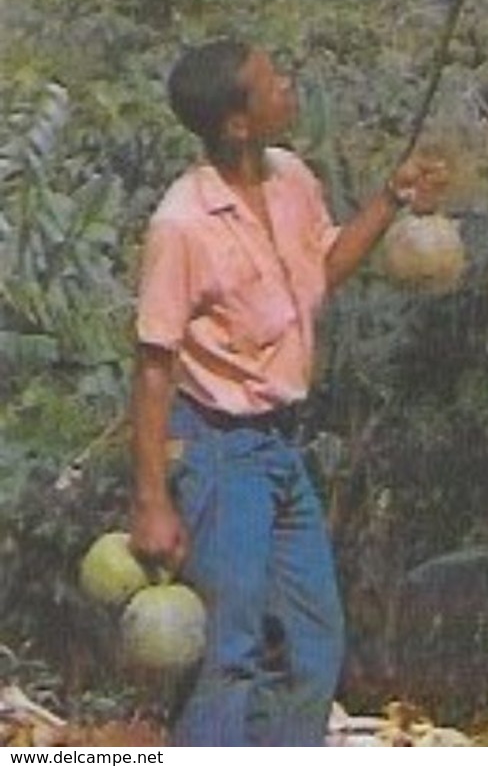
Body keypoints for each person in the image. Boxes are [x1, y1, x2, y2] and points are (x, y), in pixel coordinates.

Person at [129, 37, 446, 747]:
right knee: (227, 654)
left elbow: (320, 271)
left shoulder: (291, 179)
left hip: (280, 445)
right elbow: (153, 364)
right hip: (217, 450)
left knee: (310, 647)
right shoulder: (182, 224)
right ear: (237, 122)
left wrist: (393, 199)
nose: (288, 86)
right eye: (272, 82)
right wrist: (152, 498)